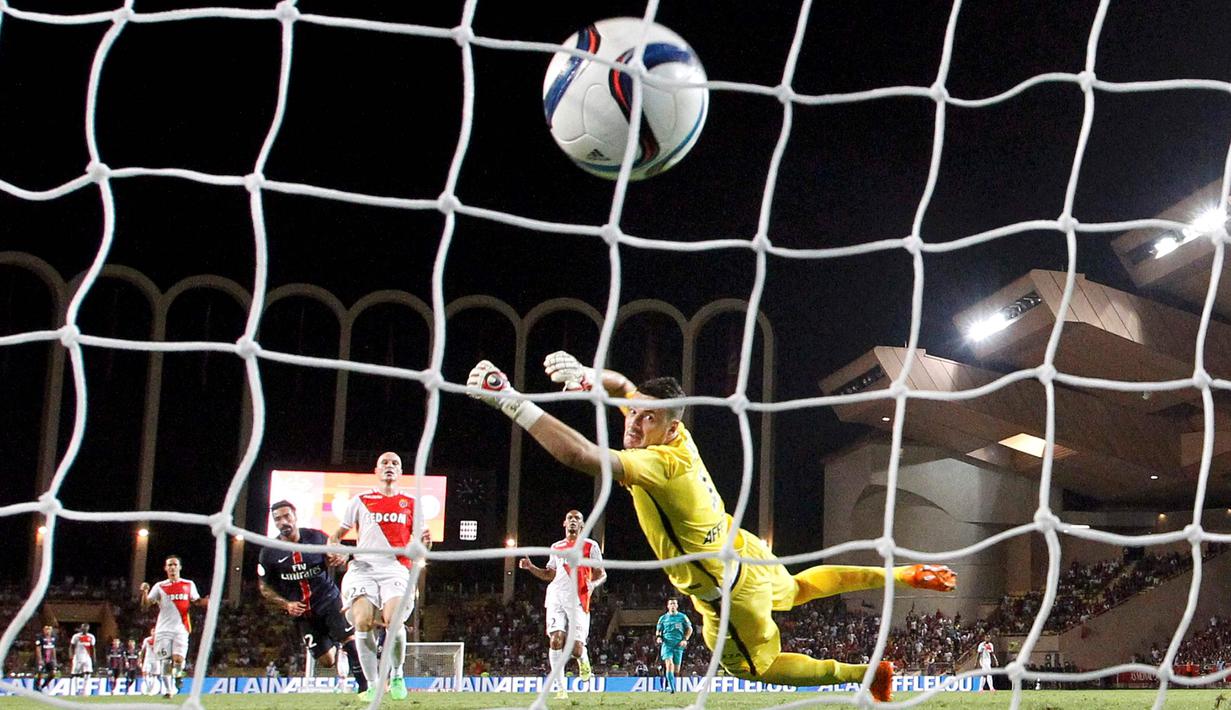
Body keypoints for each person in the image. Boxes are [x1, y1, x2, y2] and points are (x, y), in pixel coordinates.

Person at [468, 352, 959, 702]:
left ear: (670, 428)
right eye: (633, 417)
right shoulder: (672, 433)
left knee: (754, 666)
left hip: (725, 590)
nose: (632, 425)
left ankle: (863, 674)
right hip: (744, 550)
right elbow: (622, 390)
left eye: (644, 420)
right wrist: (590, 376)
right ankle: (904, 574)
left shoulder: (659, 462)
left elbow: (578, 455)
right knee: (799, 587)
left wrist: (510, 400)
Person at [328, 451, 432, 702]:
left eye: (395, 463)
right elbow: (335, 537)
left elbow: (423, 543)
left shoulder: (411, 503)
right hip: (363, 568)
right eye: (384, 463)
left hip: (395, 568)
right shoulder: (359, 501)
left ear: (400, 472)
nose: (389, 466)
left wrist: (425, 545)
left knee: (393, 620)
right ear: (376, 471)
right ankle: (374, 684)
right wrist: (337, 551)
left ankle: (397, 674)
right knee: (362, 621)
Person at [258, 499, 368, 694]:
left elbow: (338, 553)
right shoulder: (269, 552)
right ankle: (336, 646)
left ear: (295, 516)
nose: (283, 522)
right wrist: (286, 604)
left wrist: (341, 556)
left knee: (349, 639)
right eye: (277, 519)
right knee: (327, 661)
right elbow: (264, 588)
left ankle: (365, 689)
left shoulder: (316, 537)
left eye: (286, 516)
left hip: (329, 600)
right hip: (303, 613)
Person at [518, 509, 605, 699]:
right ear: (564, 523)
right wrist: (531, 568)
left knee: (576, 648)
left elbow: (602, 573)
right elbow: (550, 574)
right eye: (570, 518)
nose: (573, 521)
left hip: (578, 599)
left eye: (577, 519)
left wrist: (593, 584)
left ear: (582, 525)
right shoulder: (556, 547)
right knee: (556, 639)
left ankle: (584, 661)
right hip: (556, 596)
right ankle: (560, 688)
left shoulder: (591, 546)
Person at [140, 555, 209, 698]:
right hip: (163, 629)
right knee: (165, 662)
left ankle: (178, 676)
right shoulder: (160, 586)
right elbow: (145, 606)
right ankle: (168, 690)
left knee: (178, 660)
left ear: (179, 567)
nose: (172, 567)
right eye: (169, 565)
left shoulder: (189, 584)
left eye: (175, 564)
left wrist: (207, 601)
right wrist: (144, 592)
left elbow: (196, 601)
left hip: (181, 629)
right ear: (165, 568)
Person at [656, 598, 693, 693]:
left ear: (677, 606)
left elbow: (689, 629)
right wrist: (659, 637)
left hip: (679, 645)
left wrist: (685, 639)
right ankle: (671, 688)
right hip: (667, 645)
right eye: (671, 604)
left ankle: (669, 684)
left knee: (676, 670)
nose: (672, 605)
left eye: (674, 604)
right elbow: (658, 630)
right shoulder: (663, 618)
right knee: (669, 665)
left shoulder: (682, 617)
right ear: (668, 606)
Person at [68, 623, 96, 694]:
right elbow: (71, 646)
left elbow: (92, 648)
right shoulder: (76, 636)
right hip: (78, 657)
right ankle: (76, 690)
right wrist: (71, 655)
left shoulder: (91, 637)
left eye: (86, 628)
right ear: (81, 628)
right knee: (76, 673)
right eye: (83, 628)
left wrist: (94, 658)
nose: (84, 629)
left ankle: (84, 690)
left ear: (88, 629)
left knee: (88, 672)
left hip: (87, 657)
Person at [34, 625, 58, 691]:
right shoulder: (40, 637)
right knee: (40, 672)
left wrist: (55, 660)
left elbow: (53, 648)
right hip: (43, 658)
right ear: (44, 630)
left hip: (50, 659)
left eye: (49, 629)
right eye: (46, 629)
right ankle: (37, 686)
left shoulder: (54, 638)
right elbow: (38, 648)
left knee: (53, 674)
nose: (48, 631)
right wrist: (40, 659)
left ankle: (43, 686)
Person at [138, 627, 160, 696]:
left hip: (156, 660)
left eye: (155, 631)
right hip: (148, 659)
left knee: (154, 675)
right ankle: (148, 688)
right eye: (152, 631)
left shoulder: (159, 640)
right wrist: (140, 659)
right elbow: (142, 650)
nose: (154, 633)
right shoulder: (147, 640)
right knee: (145, 673)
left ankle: (152, 691)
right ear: (151, 632)